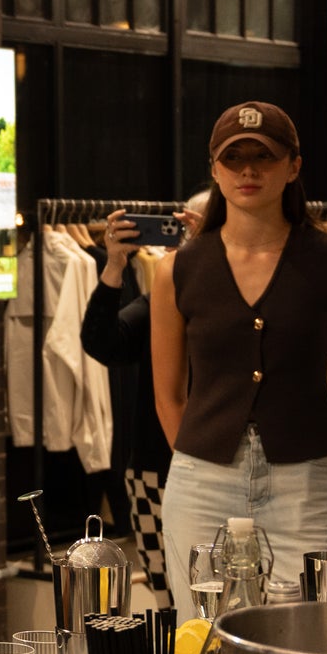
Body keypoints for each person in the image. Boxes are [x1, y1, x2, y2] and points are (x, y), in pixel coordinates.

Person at [151, 102, 327, 623]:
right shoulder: (175, 269)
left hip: (306, 484)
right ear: (214, 168)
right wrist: (200, 460)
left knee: (315, 633)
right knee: (204, 639)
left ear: (293, 166)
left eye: (264, 156)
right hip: (201, 482)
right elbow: (168, 395)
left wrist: (318, 460)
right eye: (234, 157)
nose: (248, 170)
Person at [81, 195, 206, 597]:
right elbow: (103, 342)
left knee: (221, 593)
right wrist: (114, 264)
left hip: (223, 470)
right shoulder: (161, 298)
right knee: (165, 591)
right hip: (153, 469)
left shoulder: (250, 302)